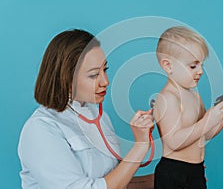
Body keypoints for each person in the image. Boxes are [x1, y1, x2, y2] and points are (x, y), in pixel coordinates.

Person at [18, 29, 154, 189]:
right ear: (66, 79)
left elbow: (113, 180)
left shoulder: (98, 115)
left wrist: (171, 175)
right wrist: (140, 146)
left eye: (105, 70)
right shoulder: (41, 129)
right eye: (94, 75)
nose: (105, 81)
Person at [153, 26, 223, 189]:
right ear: (168, 66)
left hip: (196, 170)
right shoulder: (168, 98)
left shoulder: (194, 95)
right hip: (173, 172)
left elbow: (204, 134)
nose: (200, 71)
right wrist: (207, 120)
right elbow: (174, 141)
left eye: (201, 65)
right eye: (193, 66)